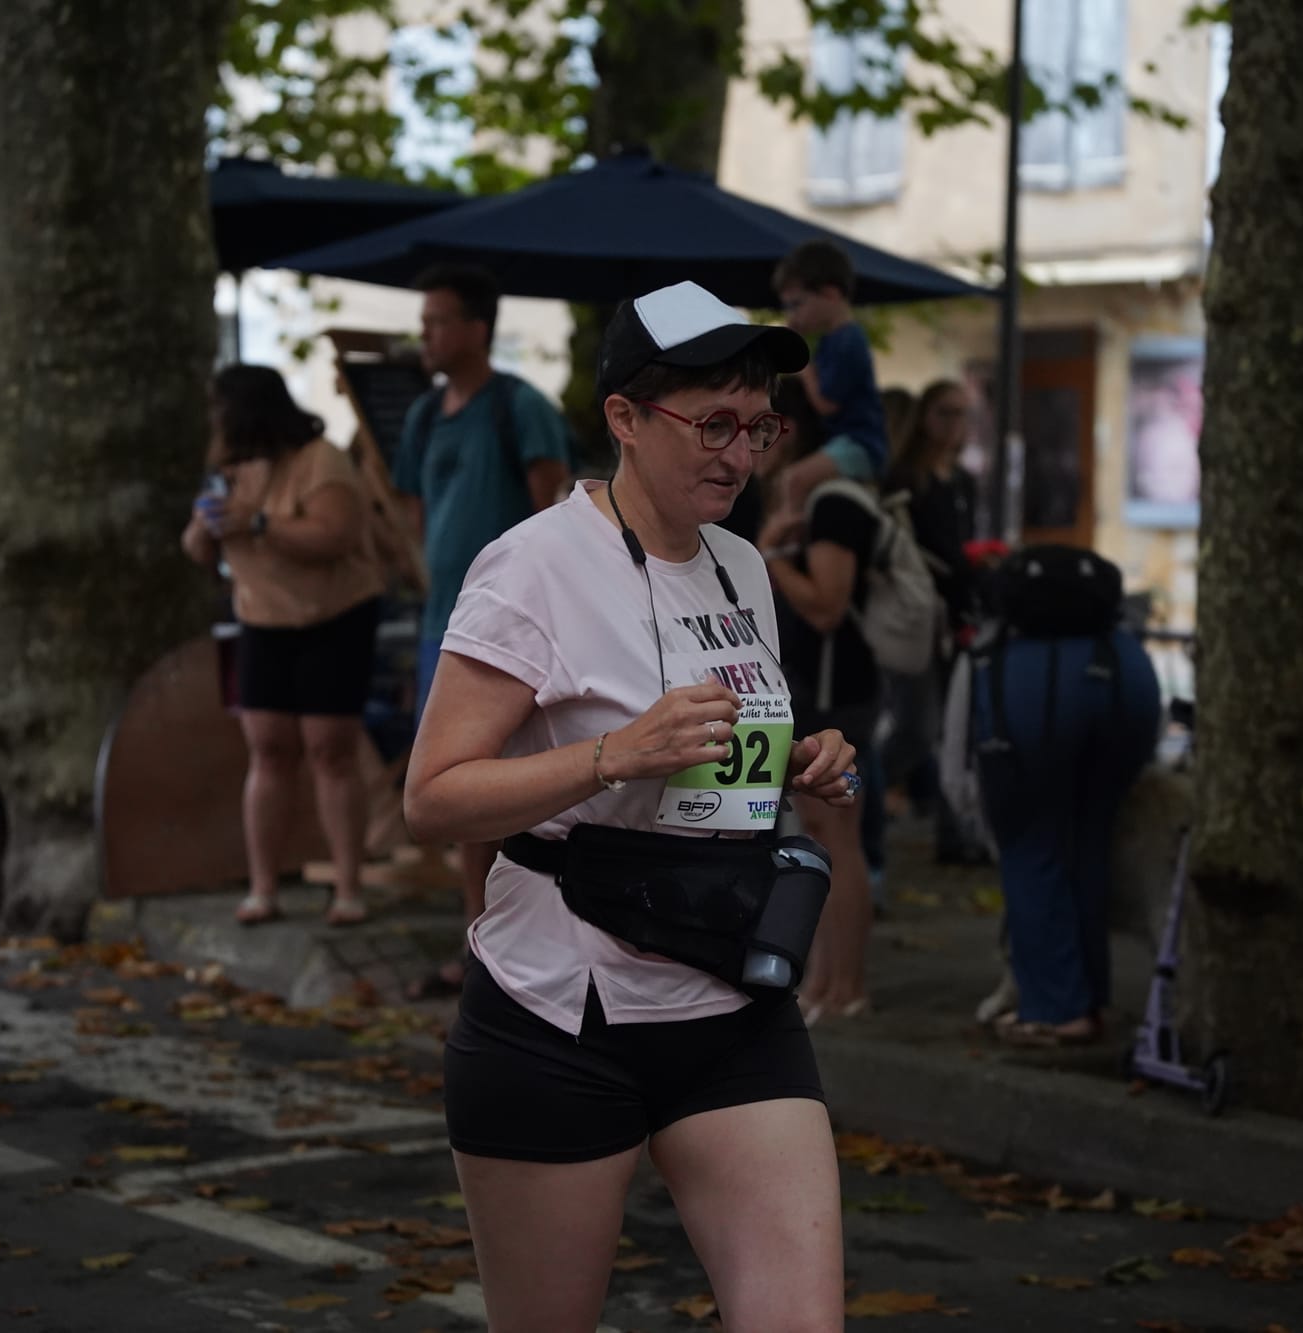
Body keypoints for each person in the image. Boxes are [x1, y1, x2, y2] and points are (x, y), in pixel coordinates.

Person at [405, 280, 857, 1331]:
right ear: (622, 418)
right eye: (712, 424)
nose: (739, 455)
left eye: (758, 427)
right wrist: (612, 754)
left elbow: (725, 750)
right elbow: (430, 800)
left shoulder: (741, 563)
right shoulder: (531, 566)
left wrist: (796, 760)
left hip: (730, 990)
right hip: (562, 1012)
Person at [391, 263, 573, 997]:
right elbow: (413, 510)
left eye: (438, 320)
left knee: (512, 790)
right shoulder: (423, 415)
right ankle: (481, 945)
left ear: (476, 328)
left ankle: (515, 944)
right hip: (446, 628)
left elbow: (554, 510)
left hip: (517, 637)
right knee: (459, 789)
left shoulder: (520, 406)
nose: (426, 335)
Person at [183, 365, 384, 928]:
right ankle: (263, 888)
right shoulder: (231, 469)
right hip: (261, 620)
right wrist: (205, 527)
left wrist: (261, 523)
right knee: (268, 748)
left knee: (330, 749)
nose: (212, 419)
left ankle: (348, 888)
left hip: (334, 617)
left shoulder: (322, 459)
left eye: (218, 407)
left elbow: (334, 535)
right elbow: (199, 551)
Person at [969, 602, 1161, 1046]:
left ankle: (1057, 1010)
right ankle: (1092, 998)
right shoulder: (1114, 639)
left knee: (1030, 851)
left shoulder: (999, 646)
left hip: (1029, 704)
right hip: (1124, 684)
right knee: (1089, 845)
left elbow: (966, 755)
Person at [756, 385, 881, 1025]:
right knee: (818, 832)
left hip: (835, 694)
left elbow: (827, 605)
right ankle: (827, 984)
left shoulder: (830, 507)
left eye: (760, 428)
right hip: (812, 687)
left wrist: (772, 552)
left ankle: (845, 986)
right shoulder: (805, 504)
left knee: (837, 834)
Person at [889, 379, 986, 861]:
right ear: (925, 417)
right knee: (917, 727)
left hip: (957, 613)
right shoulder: (907, 477)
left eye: (962, 415)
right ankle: (856, 789)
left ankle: (954, 834)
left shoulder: (963, 481)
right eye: (945, 413)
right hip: (916, 615)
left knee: (957, 725)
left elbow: (961, 546)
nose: (954, 425)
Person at [770, 239, 889, 513]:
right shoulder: (834, 339)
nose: (793, 316)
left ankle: (785, 542)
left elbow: (827, 403)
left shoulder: (848, 340)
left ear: (831, 294)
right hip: (845, 441)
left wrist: (804, 366)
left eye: (797, 304)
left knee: (794, 480)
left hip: (859, 443)